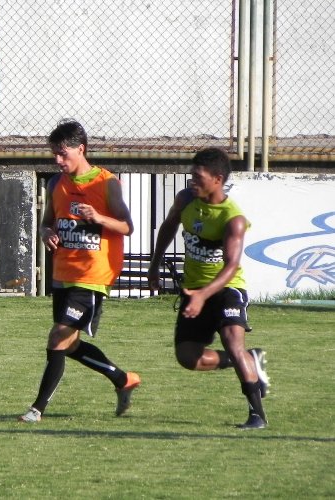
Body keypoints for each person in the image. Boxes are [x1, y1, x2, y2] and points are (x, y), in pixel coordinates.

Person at [19, 120, 141, 423]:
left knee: (58, 336)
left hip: (93, 277)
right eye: (54, 155)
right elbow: (48, 221)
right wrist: (46, 232)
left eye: (63, 154)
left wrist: (98, 217)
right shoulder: (55, 184)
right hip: (63, 275)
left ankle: (37, 409)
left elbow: (127, 227)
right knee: (69, 344)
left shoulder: (106, 183)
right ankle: (122, 379)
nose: (58, 161)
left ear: (80, 149)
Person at [147, 147, 270, 430]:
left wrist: (204, 295)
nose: (192, 181)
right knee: (188, 357)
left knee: (232, 341)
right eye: (191, 175)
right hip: (194, 289)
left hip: (227, 288)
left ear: (217, 179)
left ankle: (256, 415)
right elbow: (167, 227)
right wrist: (154, 265)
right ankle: (250, 361)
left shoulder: (232, 218)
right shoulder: (186, 199)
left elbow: (230, 266)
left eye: (198, 177)